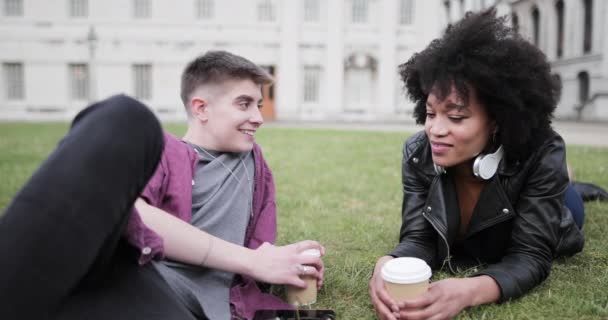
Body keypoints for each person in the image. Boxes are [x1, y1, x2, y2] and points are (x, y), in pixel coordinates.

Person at [0, 51, 324, 320]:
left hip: (176, 307)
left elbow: (259, 251)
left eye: (258, 103)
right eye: (244, 104)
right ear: (201, 108)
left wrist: (287, 263)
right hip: (137, 275)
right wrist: (252, 261)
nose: (258, 117)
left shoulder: (254, 161)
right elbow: (134, 217)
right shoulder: (165, 152)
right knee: (125, 116)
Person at [368, 9, 584, 320]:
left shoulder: (542, 153)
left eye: (456, 117)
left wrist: (469, 291)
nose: (436, 130)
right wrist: (387, 263)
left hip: (558, 202)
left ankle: (567, 178)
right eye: (430, 113)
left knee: (568, 195)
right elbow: (418, 237)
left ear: (496, 120)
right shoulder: (418, 153)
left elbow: (530, 255)